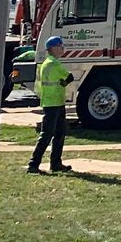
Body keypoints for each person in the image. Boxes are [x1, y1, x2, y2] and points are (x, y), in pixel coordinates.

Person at [28, 35, 73, 174]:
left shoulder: (46, 63)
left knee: (58, 133)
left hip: (52, 102)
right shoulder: (55, 64)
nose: (62, 48)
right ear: (53, 48)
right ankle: (34, 164)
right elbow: (69, 76)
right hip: (54, 103)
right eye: (60, 45)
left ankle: (55, 163)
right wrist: (65, 82)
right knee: (49, 134)